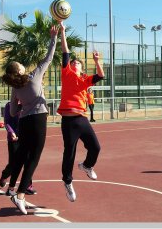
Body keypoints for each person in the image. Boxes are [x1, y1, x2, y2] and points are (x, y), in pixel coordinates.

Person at [1, 23, 58, 215]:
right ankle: (20, 195)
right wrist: (53, 36)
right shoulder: (34, 76)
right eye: (20, 65)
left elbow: (14, 110)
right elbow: (49, 56)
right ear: (19, 70)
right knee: (33, 158)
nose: (22, 64)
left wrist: (23, 103)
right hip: (38, 119)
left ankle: (13, 189)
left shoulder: (15, 89)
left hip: (24, 122)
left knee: (23, 156)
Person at [57, 23, 104, 203]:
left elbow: (100, 76)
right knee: (69, 152)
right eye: (73, 61)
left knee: (96, 147)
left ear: (81, 68)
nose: (75, 62)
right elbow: (65, 51)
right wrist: (62, 31)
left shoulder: (85, 80)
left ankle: (86, 166)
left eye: (78, 62)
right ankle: (68, 182)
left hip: (82, 119)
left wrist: (97, 61)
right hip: (68, 122)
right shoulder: (66, 73)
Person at [0, 101, 37, 196]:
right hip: (13, 138)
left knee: (28, 162)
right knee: (13, 163)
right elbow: (7, 121)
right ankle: (5, 175)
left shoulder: (28, 103)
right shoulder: (10, 105)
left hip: (26, 137)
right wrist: (11, 132)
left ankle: (27, 186)